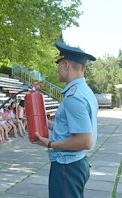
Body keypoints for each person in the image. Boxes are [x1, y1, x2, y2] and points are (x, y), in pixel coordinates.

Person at [34, 42, 98, 198]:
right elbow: (72, 128)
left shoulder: (73, 97)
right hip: (77, 163)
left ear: (66, 65)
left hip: (67, 167)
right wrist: (47, 125)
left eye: (59, 65)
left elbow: (85, 140)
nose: (58, 70)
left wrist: (49, 144)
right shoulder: (85, 91)